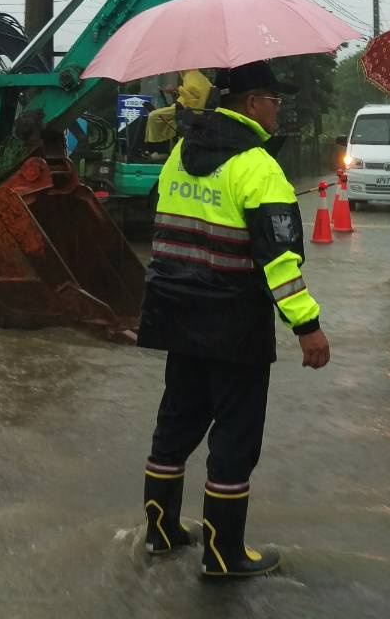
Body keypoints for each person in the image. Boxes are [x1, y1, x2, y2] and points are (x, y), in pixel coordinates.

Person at [137, 60, 331, 579]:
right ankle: (224, 556)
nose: (278, 108)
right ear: (250, 105)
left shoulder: (181, 152)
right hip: (232, 325)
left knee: (175, 424)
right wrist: (307, 326)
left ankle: (160, 534)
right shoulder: (258, 167)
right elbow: (280, 260)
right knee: (235, 439)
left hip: (177, 316)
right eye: (273, 99)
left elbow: (160, 223)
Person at [142, 69, 212, 154]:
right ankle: (165, 148)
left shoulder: (190, 75)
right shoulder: (198, 76)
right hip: (190, 109)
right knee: (164, 117)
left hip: (190, 110)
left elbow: (195, 95)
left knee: (153, 115)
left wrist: (177, 89)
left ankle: (155, 148)